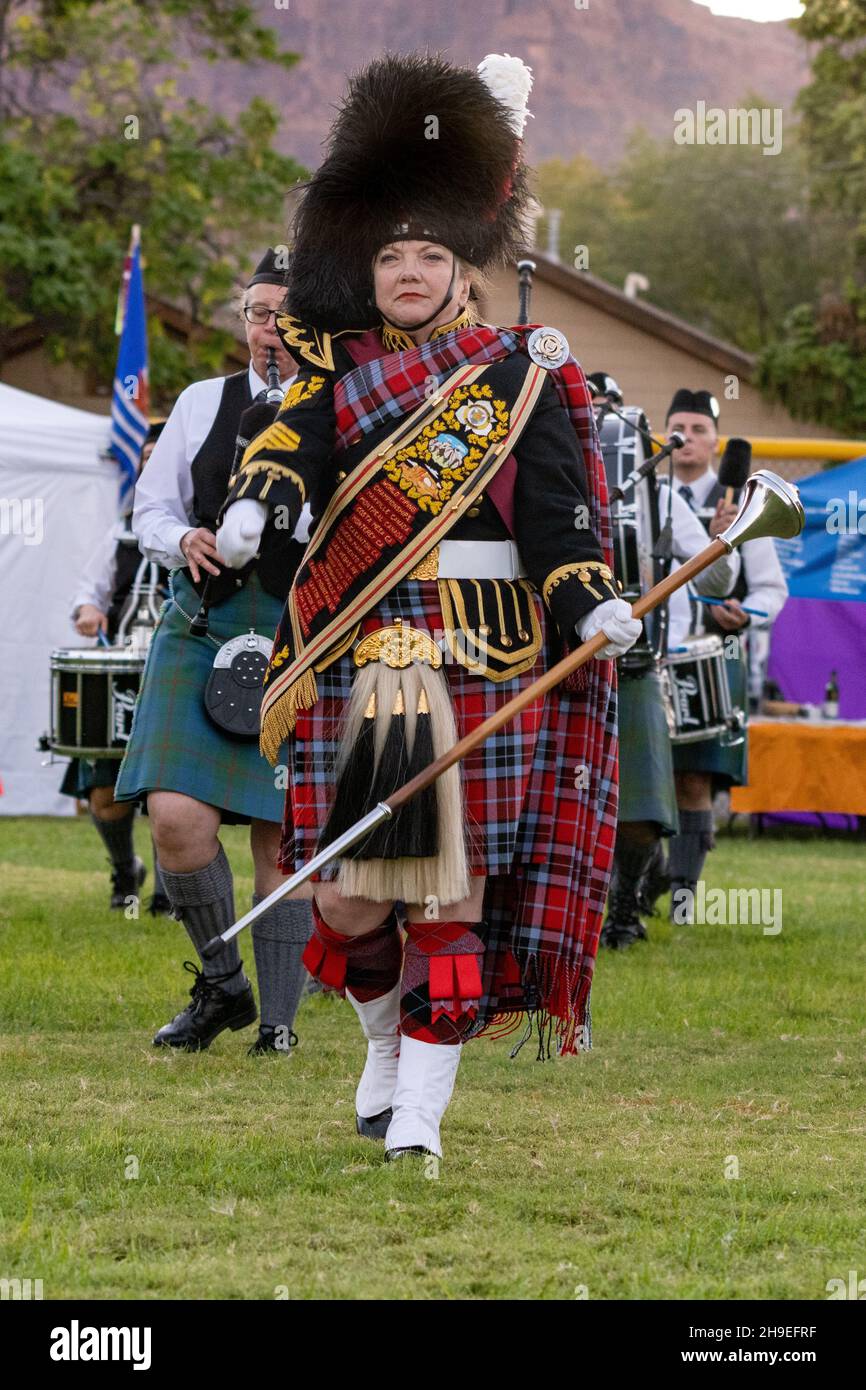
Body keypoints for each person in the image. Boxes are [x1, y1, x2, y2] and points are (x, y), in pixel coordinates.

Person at [216, 52, 643, 1164]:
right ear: (366, 267)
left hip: (484, 650)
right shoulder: (330, 370)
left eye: (429, 254)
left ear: (465, 270)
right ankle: (379, 1047)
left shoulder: (521, 375)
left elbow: (558, 519)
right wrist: (262, 502)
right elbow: (288, 452)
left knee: (448, 897)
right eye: (391, 254)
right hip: (359, 650)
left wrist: (587, 600)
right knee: (353, 907)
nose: (407, 270)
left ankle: (421, 1118)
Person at [114, 251, 314, 1055]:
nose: (271, 329)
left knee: (279, 834)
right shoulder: (202, 404)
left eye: (288, 316)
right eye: (260, 313)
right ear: (245, 321)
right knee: (174, 818)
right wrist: (184, 536)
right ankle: (222, 983)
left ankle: (280, 1022)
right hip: (200, 621)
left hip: (298, 629)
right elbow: (149, 512)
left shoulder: (343, 411)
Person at [589, 383, 741, 949]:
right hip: (549, 654)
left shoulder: (657, 489)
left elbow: (715, 581)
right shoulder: (543, 470)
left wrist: (723, 543)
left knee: (644, 802)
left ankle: (625, 911)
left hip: (632, 661)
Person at [664, 388, 788, 921]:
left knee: (694, 777)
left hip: (713, 653)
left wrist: (746, 613)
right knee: (646, 775)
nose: (686, 439)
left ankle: (684, 901)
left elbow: (770, 587)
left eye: (697, 430)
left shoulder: (738, 504)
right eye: (678, 428)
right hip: (649, 652)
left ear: (716, 441)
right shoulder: (646, 494)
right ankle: (637, 889)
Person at [63, 421, 171, 913]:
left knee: (170, 791)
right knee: (106, 795)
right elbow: (90, 590)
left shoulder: (206, 526)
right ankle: (126, 868)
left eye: (159, 455)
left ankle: (172, 892)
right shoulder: (122, 531)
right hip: (121, 674)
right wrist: (89, 610)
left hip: (176, 670)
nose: (150, 463)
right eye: (145, 455)